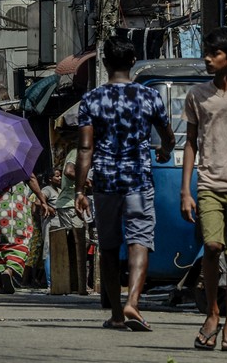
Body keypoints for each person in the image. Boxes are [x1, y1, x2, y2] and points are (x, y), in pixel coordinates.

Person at [76, 36, 173, 332]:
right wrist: (166, 149)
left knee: (108, 246)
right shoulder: (149, 97)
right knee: (140, 240)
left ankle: (117, 313)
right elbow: (166, 134)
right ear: (133, 62)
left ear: (104, 63)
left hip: (105, 181)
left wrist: (80, 189)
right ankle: (133, 301)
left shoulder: (91, 100)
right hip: (138, 181)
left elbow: (85, 148)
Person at [180, 28, 227, 349]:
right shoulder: (196, 95)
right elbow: (189, 142)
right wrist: (186, 190)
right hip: (209, 184)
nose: (208, 59)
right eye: (207, 53)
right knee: (212, 247)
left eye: (215, 54)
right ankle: (212, 311)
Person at [0, 174, 54, 293]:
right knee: (22, 240)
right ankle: (9, 270)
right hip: (16, 208)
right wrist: (42, 200)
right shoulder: (17, 161)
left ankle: (0, 284)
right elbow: (31, 178)